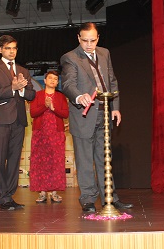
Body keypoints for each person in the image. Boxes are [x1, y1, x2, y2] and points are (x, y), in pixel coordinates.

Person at [60, 22, 133, 212]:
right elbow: (68, 84)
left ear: (98, 38)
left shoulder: (105, 53)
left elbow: (112, 80)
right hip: (83, 116)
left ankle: (110, 197)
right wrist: (78, 96)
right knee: (85, 160)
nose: (89, 44)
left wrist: (115, 107)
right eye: (85, 41)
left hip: (105, 113)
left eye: (93, 40)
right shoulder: (70, 57)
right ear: (78, 38)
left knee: (104, 158)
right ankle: (88, 199)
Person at [0, 35, 36, 211]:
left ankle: (9, 195)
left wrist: (21, 90)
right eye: (8, 48)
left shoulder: (24, 71)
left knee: (14, 161)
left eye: (14, 48)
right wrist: (12, 88)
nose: (12, 51)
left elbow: (32, 95)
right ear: (0, 50)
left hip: (19, 121)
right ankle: (0, 197)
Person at [29, 71, 69, 203]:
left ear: (58, 82)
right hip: (40, 134)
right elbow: (33, 113)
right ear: (45, 81)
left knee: (56, 162)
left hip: (56, 134)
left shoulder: (60, 96)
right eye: (50, 78)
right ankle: (41, 193)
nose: (53, 80)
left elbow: (65, 114)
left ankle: (54, 192)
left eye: (55, 79)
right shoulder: (37, 95)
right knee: (40, 163)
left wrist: (53, 108)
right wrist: (44, 106)